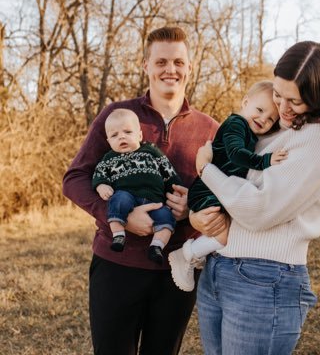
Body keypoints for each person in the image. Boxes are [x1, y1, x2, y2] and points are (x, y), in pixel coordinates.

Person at [63, 26, 219, 355]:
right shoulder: (117, 117)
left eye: (178, 62)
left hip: (176, 269)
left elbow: (227, 195)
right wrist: (116, 215)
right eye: (161, 61)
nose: (170, 70)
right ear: (145, 65)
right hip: (116, 265)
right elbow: (75, 177)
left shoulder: (209, 130)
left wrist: (193, 207)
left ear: (190, 67)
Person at [190, 41, 320, 355]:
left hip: (264, 279)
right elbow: (236, 186)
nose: (283, 108)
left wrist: (206, 170)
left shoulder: (318, 138)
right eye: (278, 94)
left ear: (319, 98)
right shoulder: (277, 128)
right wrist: (199, 215)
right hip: (220, 268)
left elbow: (257, 209)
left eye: (296, 101)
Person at [168, 81, 288, 291]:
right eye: (259, 110)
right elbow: (235, 153)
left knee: (226, 231)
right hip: (207, 190)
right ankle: (187, 254)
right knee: (223, 236)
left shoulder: (250, 132)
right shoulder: (236, 124)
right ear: (245, 102)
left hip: (215, 189)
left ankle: (197, 252)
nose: (263, 119)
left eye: (270, 119)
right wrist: (265, 161)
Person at [92, 108, 182, 264]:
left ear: (139, 135)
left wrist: (177, 188)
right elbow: (98, 174)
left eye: (127, 132)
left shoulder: (151, 151)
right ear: (109, 141)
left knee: (166, 217)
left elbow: (168, 171)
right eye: (114, 135)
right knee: (117, 200)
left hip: (155, 201)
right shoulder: (109, 158)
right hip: (127, 196)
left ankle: (157, 246)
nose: (121, 137)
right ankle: (118, 235)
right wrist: (101, 185)